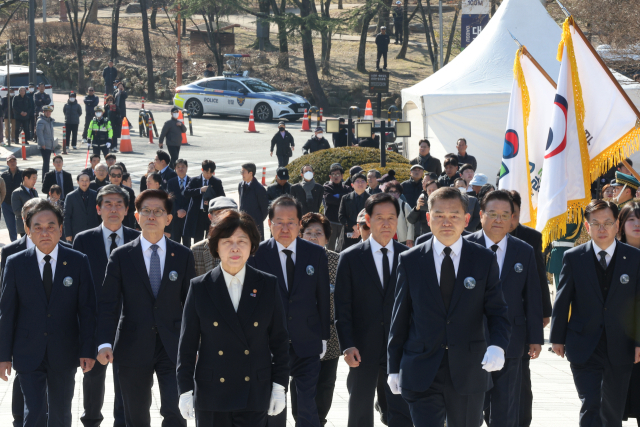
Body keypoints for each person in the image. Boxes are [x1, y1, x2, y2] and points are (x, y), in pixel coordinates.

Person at [387, 187, 511, 427]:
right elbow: (399, 318)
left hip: (468, 369)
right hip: (421, 368)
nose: (446, 222)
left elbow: (497, 311)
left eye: (454, 216)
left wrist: (498, 346)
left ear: (466, 220)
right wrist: (394, 366)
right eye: (439, 215)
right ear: (428, 218)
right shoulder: (410, 260)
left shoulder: (483, 259)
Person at [177, 209, 289, 426]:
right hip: (212, 394)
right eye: (227, 241)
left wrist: (279, 386)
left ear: (252, 245)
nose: (235, 247)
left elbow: (280, 341)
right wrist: (185, 390)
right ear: (216, 246)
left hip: (255, 391)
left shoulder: (267, 284)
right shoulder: (200, 287)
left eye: (242, 240)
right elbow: (187, 345)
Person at [95, 189, 197, 427]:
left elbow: (192, 305)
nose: (152, 216)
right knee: (136, 415)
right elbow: (108, 303)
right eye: (146, 211)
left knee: (175, 411)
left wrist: (196, 345)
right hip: (132, 345)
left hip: (173, 346)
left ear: (169, 219)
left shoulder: (182, 255)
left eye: (159, 211)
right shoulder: (120, 256)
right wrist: (104, 343)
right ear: (137, 216)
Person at [0, 200, 96, 427]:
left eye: (51, 226)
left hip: (64, 350)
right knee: (33, 413)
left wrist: (88, 349)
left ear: (61, 229)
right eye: (38, 227)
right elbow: (7, 311)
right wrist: (4, 355)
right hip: (27, 351)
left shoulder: (78, 261)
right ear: (28, 230)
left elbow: (88, 309)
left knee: (61, 414)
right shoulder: (15, 263)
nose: (45, 232)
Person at [550, 199, 640, 427]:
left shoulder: (634, 258)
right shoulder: (574, 257)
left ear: (617, 224)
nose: (602, 229)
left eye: (608, 223)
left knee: (612, 408)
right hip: (584, 344)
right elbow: (563, 299)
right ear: (587, 226)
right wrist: (557, 338)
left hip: (622, 345)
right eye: (596, 223)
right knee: (591, 402)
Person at [247, 195, 331, 427]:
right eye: (279, 221)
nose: (285, 227)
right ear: (269, 223)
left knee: (306, 404)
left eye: (291, 221)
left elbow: (323, 297)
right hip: (271, 344)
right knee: (275, 404)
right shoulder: (257, 255)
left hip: (307, 340)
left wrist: (324, 335)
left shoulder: (315, 253)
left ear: (299, 224)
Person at [465, 190, 544, 427]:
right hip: (470, 339)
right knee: (470, 407)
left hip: (511, 339)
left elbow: (532, 295)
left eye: (505, 214)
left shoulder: (524, 250)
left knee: (505, 405)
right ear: (481, 215)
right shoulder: (465, 246)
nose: (498, 219)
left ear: (513, 218)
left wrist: (535, 338)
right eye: (492, 213)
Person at [335, 192, 413, 427]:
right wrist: (347, 345)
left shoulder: (409, 257)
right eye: (380, 217)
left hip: (400, 348)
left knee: (401, 410)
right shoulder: (350, 257)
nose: (386, 223)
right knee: (360, 409)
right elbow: (342, 306)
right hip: (362, 347)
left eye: (392, 217)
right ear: (368, 220)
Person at [73, 185, 140, 427]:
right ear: (98, 209)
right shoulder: (83, 240)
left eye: (119, 204)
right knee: (92, 377)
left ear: (127, 210)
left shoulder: (137, 239)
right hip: (93, 320)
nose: (113, 209)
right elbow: (79, 285)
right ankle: (91, 420)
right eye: (108, 204)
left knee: (126, 379)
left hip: (128, 321)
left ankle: (121, 422)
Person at [507, 190, 553, 427]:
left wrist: (544, 312)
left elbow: (538, 280)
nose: (507, 219)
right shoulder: (477, 239)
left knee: (521, 379)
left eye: (512, 213)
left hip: (521, 318)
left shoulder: (530, 238)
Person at [295, 212, 341, 426]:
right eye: (308, 233)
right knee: (301, 390)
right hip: (301, 340)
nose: (313, 237)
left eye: (318, 233)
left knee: (325, 387)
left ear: (327, 237)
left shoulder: (337, 261)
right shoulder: (294, 259)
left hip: (330, 339)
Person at [616, 203, 640, 425]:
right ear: (621, 225)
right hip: (618, 339)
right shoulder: (611, 255)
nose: (637, 224)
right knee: (613, 406)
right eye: (631, 219)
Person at [190, 196, 238, 276]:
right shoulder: (196, 250)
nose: (224, 218)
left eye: (229, 213)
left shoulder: (247, 247)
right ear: (210, 217)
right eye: (219, 213)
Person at [184, 160, 226, 243]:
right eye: (207, 172)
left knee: (210, 238)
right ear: (202, 169)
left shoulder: (217, 182)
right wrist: (200, 190)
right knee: (197, 239)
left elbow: (222, 197)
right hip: (197, 214)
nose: (208, 175)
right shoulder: (194, 180)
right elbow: (186, 192)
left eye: (211, 173)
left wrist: (211, 201)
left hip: (210, 214)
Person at [64, 173, 100, 242]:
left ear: (90, 182)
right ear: (78, 182)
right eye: (82, 180)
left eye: (87, 180)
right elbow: (67, 216)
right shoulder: (70, 196)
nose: (84, 182)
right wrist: (68, 233)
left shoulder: (95, 195)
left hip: (93, 231)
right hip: (76, 232)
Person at [339, 173, 371, 249]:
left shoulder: (371, 199)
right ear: (352, 185)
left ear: (366, 184)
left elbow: (372, 216)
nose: (360, 183)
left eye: (363, 181)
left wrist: (360, 230)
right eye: (357, 181)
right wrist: (354, 227)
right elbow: (341, 217)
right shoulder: (345, 198)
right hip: (349, 234)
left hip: (365, 233)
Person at [239, 162, 268, 241]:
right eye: (241, 172)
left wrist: (257, 219)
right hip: (242, 222)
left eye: (243, 172)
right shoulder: (241, 185)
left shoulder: (259, 188)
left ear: (250, 173)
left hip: (255, 224)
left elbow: (264, 209)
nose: (242, 174)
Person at [166, 159, 191, 246]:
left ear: (187, 168)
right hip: (175, 217)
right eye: (178, 167)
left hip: (187, 218)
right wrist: (177, 210)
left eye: (183, 167)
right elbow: (170, 198)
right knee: (174, 243)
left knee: (187, 244)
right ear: (175, 169)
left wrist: (185, 210)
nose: (181, 169)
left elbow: (193, 199)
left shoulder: (192, 182)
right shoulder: (171, 182)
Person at [382, 181, 414, 247]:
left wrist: (410, 238)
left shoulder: (404, 205)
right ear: (387, 193)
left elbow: (411, 223)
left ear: (399, 193)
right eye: (391, 191)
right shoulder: (383, 206)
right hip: (387, 239)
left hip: (402, 240)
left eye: (396, 192)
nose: (393, 194)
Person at [407, 176, 438, 240]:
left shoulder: (445, 203)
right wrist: (417, 208)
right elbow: (411, 220)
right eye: (429, 190)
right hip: (425, 236)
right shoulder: (423, 201)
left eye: (434, 190)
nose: (431, 192)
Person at [12, 168, 38, 237]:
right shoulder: (17, 193)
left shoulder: (34, 191)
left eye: (36, 178)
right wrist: (32, 210)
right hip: (24, 227)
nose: (35, 181)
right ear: (26, 178)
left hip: (36, 225)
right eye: (33, 178)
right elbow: (17, 211)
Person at [108, 164, 137, 229]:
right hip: (107, 223)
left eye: (118, 175)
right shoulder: (102, 190)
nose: (116, 178)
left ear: (121, 176)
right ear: (109, 176)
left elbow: (133, 207)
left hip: (125, 224)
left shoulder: (129, 191)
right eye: (113, 175)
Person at [2, 155, 21, 241]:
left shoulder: (22, 174)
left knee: (22, 226)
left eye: (14, 161)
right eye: (10, 161)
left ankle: (24, 244)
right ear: (7, 163)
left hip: (19, 204)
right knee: (11, 227)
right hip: (6, 204)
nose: (12, 163)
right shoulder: (4, 175)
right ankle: (14, 244)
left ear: (16, 162)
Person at [36, 104, 56, 179]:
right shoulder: (41, 121)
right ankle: (45, 178)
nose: (48, 113)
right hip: (44, 145)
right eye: (46, 112)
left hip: (49, 144)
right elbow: (39, 133)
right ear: (43, 112)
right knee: (46, 163)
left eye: (49, 112)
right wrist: (42, 144)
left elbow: (51, 134)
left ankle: (46, 178)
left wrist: (52, 144)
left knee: (47, 162)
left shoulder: (50, 121)